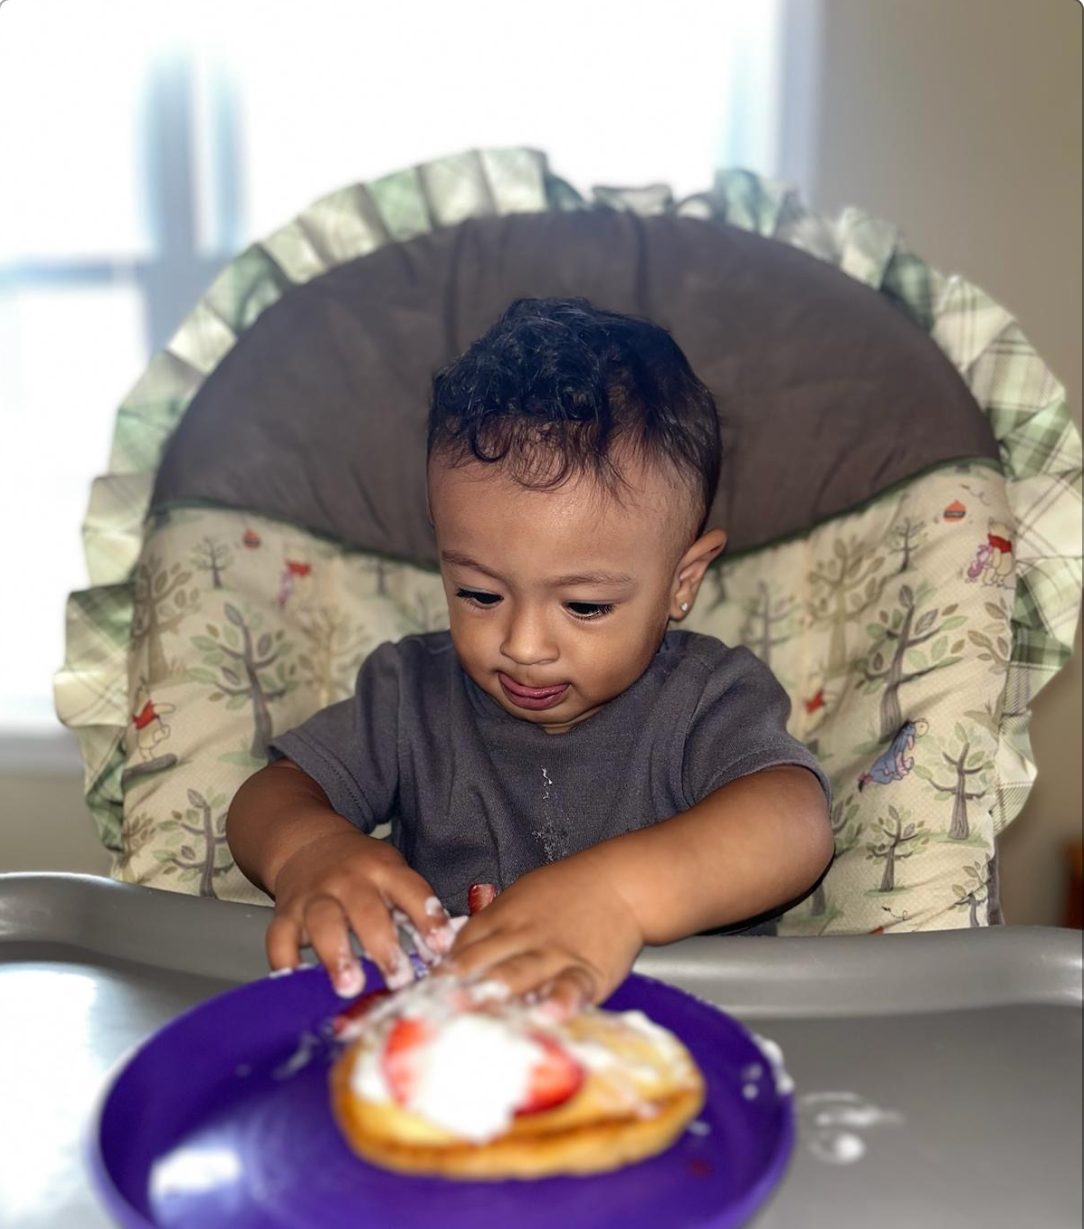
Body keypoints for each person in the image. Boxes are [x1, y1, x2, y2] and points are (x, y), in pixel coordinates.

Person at [227, 297, 833, 1013]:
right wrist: (310, 852)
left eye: (584, 606)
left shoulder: (706, 700)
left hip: (678, 1046)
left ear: (682, 582)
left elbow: (796, 824)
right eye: (480, 594)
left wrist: (620, 897)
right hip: (454, 1053)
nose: (522, 646)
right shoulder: (411, 695)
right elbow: (269, 795)